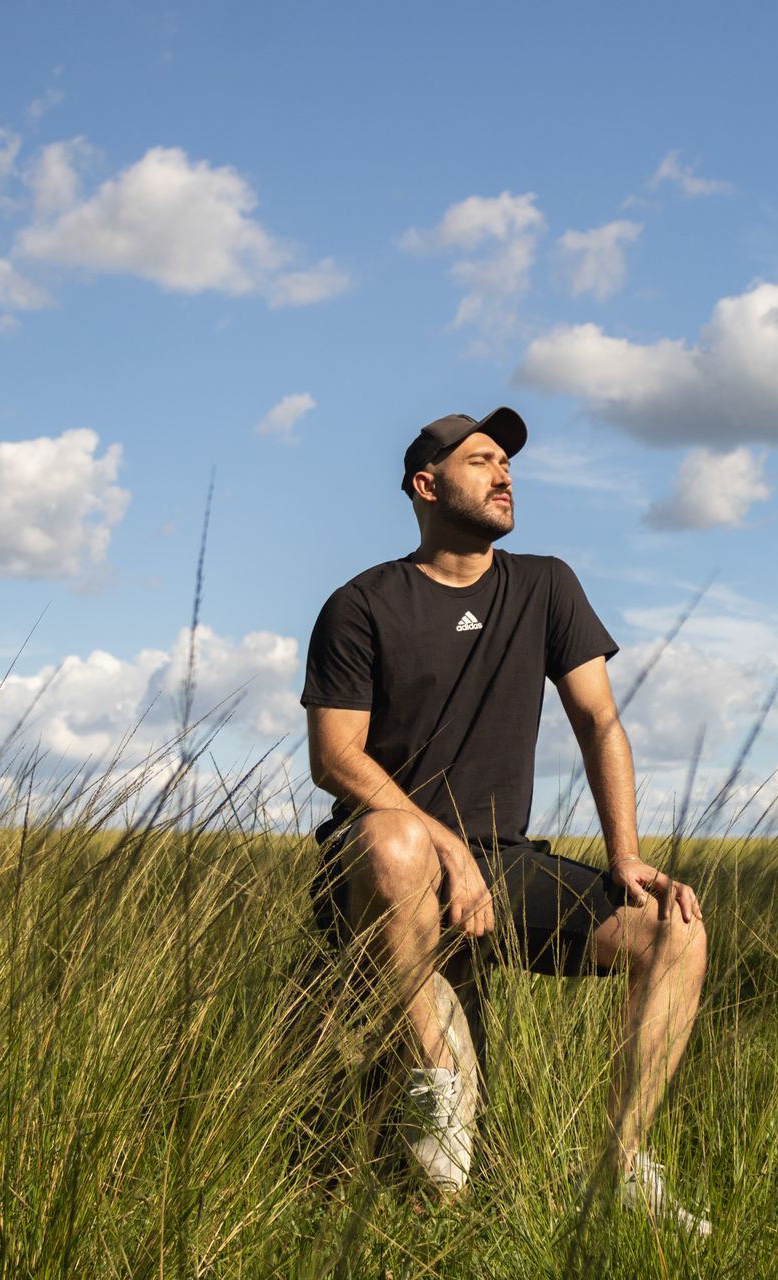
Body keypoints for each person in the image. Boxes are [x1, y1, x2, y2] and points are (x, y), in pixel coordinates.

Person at [301, 406, 710, 1234]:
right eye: (481, 460)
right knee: (397, 840)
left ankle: (621, 1167)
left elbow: (599, 721)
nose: (504, 473)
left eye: (507, 462)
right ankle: (438, 1096)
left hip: (505, 862)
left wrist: (626, 859)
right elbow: (336, 759)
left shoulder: (545, 584)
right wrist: (445, 844)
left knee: (675, 931)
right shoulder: (361, 605)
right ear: (426, 485)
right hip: (380, 862)